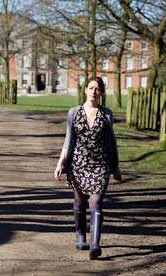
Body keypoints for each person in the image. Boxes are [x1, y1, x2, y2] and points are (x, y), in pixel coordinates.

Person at [54, 76, 122, 260]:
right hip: (78, 165)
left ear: (101, 92)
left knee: (97, 202)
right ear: (85, 90)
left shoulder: (106, 114)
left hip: (100, 165)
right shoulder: (73, 113)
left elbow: (111, 143)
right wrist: (61, 163)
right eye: (91, 88)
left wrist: (116, 167)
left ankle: (95, 244)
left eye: (97, 88)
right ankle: (80, 235)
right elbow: (68, 140)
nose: (94, 91)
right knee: (80, 202)